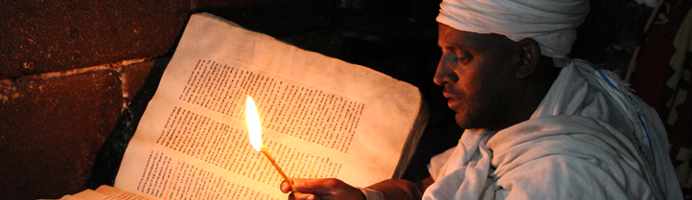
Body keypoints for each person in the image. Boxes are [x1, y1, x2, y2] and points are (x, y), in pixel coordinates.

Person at [280, 0, 684, 199]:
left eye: (463, 57)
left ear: (523, 57)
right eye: (443, 52)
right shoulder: (545, 92)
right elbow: (435, 184)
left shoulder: (564, 180)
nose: (439, 75)